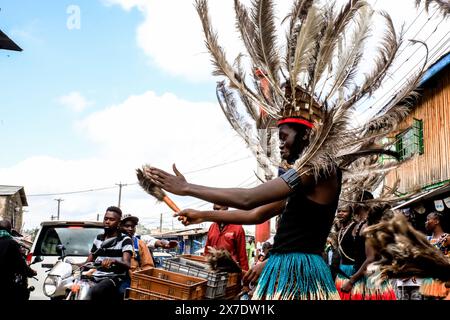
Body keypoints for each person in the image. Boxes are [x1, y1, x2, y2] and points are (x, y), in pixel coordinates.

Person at [147, 111, 343, 300]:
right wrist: (203, 215)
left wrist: (187, 188)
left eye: (284, 137)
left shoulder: (316, 168)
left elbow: (249, 198)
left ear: (307, 134)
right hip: (288, 266)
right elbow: (256, 215)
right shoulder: (306, 176)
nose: (280, 146)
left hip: (299, 272)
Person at [84, 206, 132, 301]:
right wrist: (69, 265)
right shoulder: (98, 238)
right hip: (96, 275)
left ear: (118, 223)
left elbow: (127, 264)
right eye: (106, 218)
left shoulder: (125, 240)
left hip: (114, 277)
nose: (107, 221)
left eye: (112, 219)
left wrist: (113, 261)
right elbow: (88, 262)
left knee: (97, 291)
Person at [0, 219, 37, 301]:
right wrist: (31, 272)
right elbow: (20, 264)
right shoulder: (12, 243)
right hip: (6, 284)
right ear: (9, 230)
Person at [204, 204, 248, 271]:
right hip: (214, 271)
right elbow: (207, 251)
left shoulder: (237, 228)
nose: (214, 212)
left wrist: (245, 275)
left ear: (226, 209)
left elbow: (242, 255)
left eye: (218, 209)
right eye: (214, 209)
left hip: (230, 272)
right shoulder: (212, 227)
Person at [420, 212, 450, 299]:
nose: (426, 222)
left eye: (428, 219)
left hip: (443, 281)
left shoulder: (447, 237)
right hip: (428, 281)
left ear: (436, 221)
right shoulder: (427, 240)